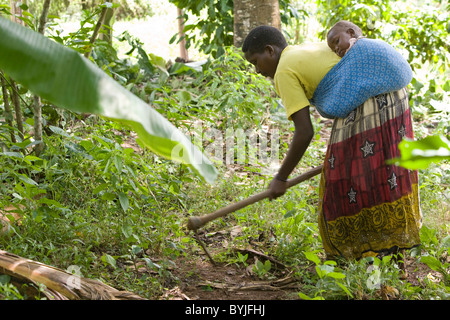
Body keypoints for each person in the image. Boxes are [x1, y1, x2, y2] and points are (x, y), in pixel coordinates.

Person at [242, 25, 422, 264]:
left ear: (269, 50)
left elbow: (305, 132)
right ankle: (389, 250)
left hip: (368, 101)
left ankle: (359, 255)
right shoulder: (300, 51)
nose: (257, 70)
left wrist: (281, 177)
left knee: (345, 186)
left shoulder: (284, 71)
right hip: (394, 96)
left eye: (256, 61)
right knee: (382, 173)